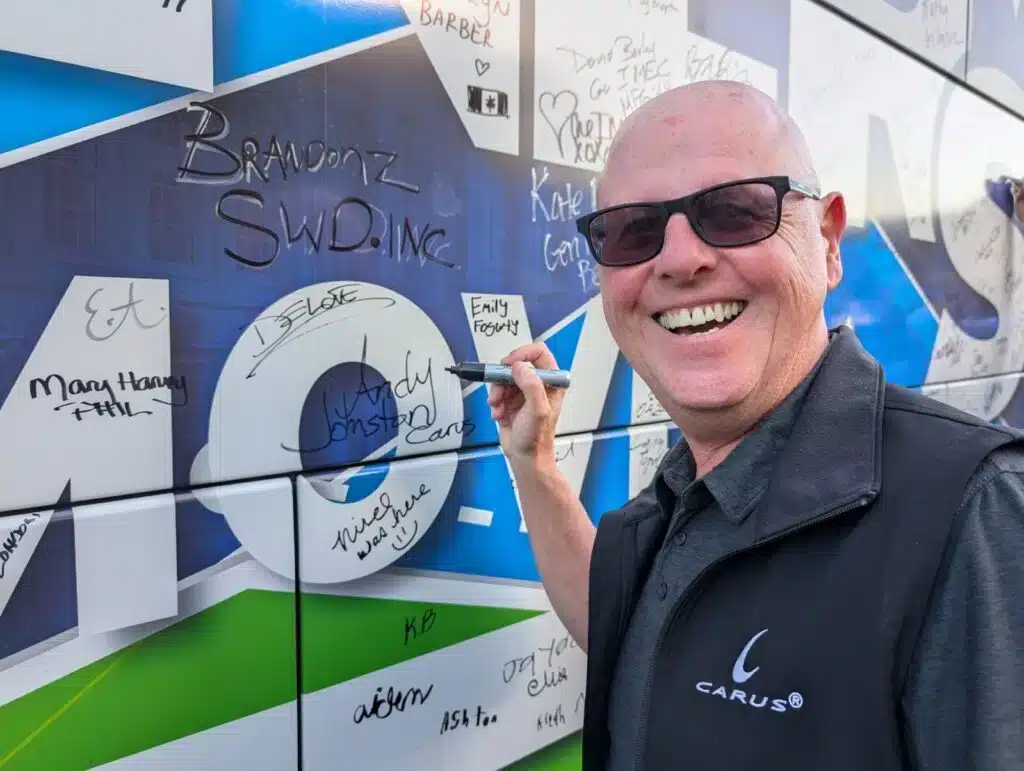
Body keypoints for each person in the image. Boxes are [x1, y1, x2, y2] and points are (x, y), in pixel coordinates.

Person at [488, 80, 1024, 771]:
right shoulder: (665, 510)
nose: (680, 260)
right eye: (633, 230)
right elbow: (628, 634)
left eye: (737, 211)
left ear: (829, 241)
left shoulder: (974, 518)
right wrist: (534, 466)